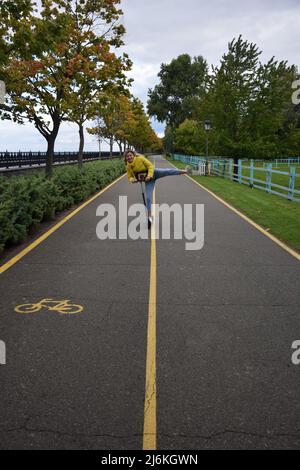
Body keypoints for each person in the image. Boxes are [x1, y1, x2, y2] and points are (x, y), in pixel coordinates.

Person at [124, 149, 189, 227]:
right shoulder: (128, 166)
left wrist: (149, 176)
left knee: (167, 171)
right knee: (148, 198)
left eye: (130, 155)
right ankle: (149, 216)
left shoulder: (140, 158)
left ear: (133, 155)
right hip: (148, 181)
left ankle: (184, 171)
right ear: (126, 158)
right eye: (127, 156)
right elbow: (129, 177)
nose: (129, 157)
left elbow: (150, 166)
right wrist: (133, 180)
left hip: (154, 173)